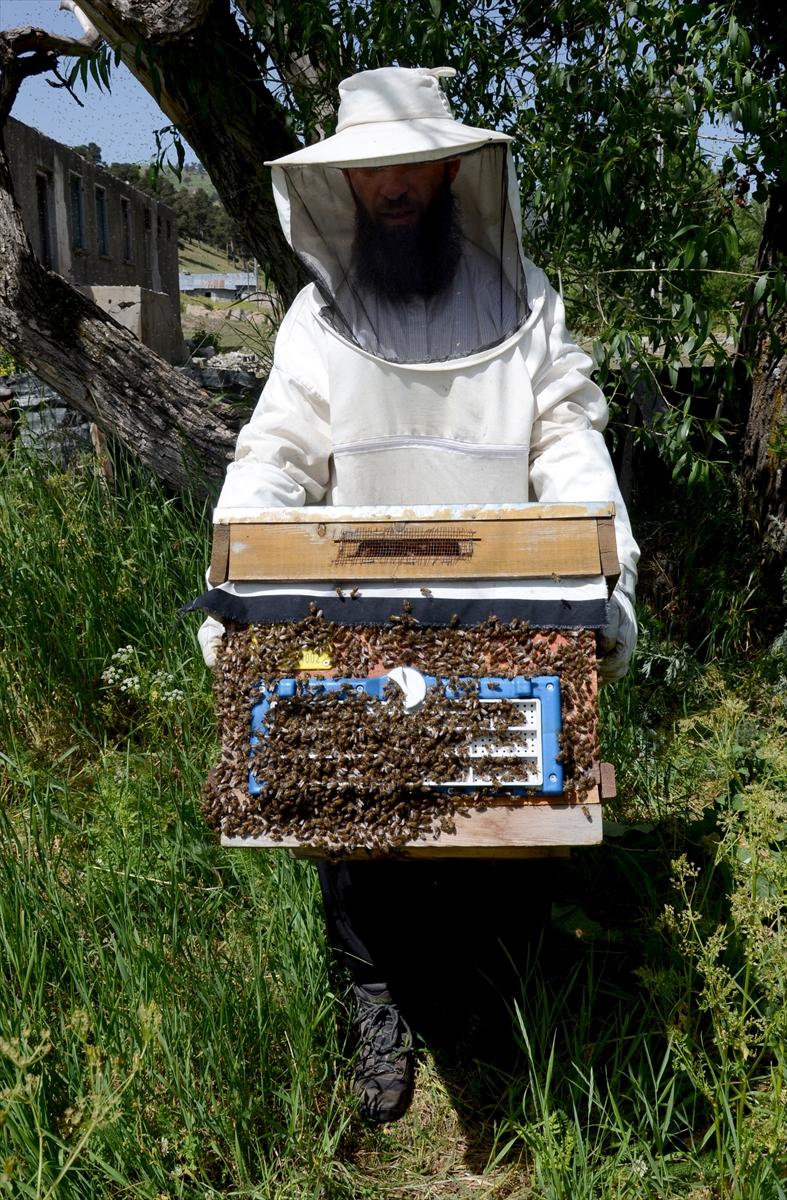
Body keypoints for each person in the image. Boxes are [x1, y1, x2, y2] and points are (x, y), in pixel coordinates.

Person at [198, 65, 640, 1124]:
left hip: (504, 614)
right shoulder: (318, 320)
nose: (391, 188)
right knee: (346, 807)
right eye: (369, 173)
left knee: (511, 813)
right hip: (356, 619)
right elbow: (274, 458)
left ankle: (495, 998)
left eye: (408, 166)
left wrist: (602, 575)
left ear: (449, 168)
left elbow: (569, 443)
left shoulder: (525, 307)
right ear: (345, 189)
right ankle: (375, 993)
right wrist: (231, 582)